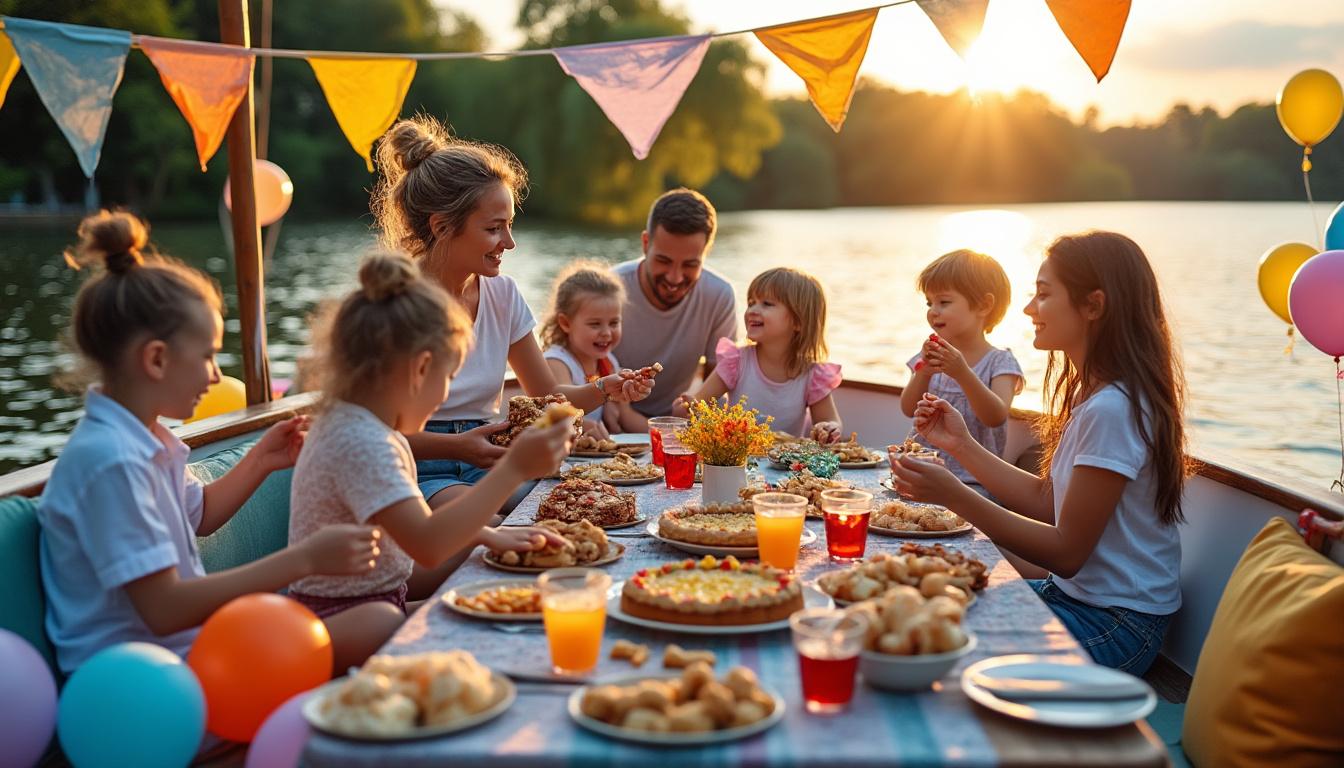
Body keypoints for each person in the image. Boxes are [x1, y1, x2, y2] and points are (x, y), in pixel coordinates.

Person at [37, 211, 382, 675]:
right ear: (156, 360)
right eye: (208, 356)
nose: (217, 375)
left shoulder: (143, 435)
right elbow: (165, 609)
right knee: (377, 623)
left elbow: (198, 515)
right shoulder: (110, 461)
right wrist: (302, 560)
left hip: (188, 654)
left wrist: (261, 460)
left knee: (378, 619)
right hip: (148, 686)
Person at [891, 231, 1188, 675]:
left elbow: (1067, 553)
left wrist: (953, 495)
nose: (1029, 309)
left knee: (936, 648)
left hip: (1116, 625)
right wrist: (961, 445)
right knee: (915, 606)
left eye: (1044, 295)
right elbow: (1049, 502)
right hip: (1071, 597)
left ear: (1093, 306)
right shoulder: (1097, 397)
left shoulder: (1113, 408)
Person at [371, 116, 653, 519]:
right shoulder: (392, 306)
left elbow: (548, 397)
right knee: (505, 531)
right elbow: (372, 437)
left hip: (488, 462)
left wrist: (607, 387)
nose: (509, 242)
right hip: (416, 470)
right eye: (493, 228)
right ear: (442, 226)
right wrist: (458, 445)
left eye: (510, 226)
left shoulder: (502, 294)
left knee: (572, 515)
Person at [287, 252, 570, 646]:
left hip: (389, 591)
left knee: (488, 575)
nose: (443, 398)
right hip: (337, 618)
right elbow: (429, 544)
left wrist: (490, 537)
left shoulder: (369, 427)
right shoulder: (359, 442)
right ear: (420, 369)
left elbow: (411, 535)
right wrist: (515, 469)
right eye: (449, 378)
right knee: (393, 621)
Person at [899, 249, 1023, 493]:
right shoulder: (931, 355)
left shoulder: (1000, 361)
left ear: (984, 305)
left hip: (975, 483)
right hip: (922, 472)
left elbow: (995, 415)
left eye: (944, 302)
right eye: (929, 303)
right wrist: (923, 373)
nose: (933, 310)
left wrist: (962, 373)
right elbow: (907, 408)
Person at [612, 188, 737, 427]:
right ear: (646, 243)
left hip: (679, 426)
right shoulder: (611, 288)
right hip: (612, 422)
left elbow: (718, 382)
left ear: (705, 253)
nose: (675, 278)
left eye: (690, 264)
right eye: (664, 261)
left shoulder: (720, 295)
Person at [674, 267, 842, 440]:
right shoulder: (737, 361)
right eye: (751, 302)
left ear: (798, 321)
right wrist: (686, 408)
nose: (752, 310)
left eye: (767, 304)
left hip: (787, 463)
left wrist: (829, 428)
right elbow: (698, 404)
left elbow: (829, 420)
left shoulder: (812, 374)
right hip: (739, 460)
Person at [538, 262, 641, 436]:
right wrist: (584, 426)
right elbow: (556, 412)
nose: (607, 333)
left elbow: (627, 416)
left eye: (614, 323)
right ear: (565, 323)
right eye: (595, 324)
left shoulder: (608, 362)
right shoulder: (556, 362)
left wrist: (671, 431)